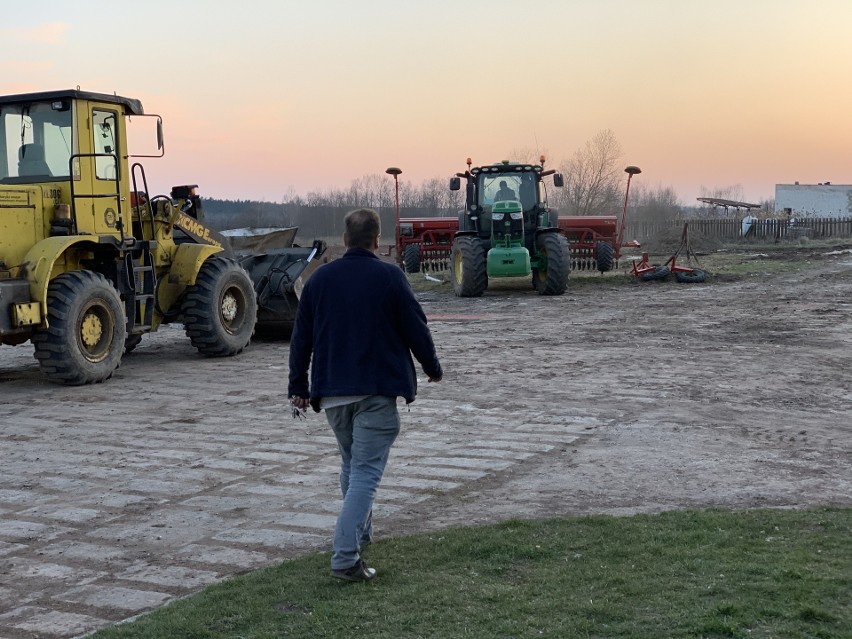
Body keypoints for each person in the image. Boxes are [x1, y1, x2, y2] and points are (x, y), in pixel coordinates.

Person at [288, 208, 443, 582]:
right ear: (377, 241)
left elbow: (301, 339)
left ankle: (361, 533)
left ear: (344, 239)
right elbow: (415, 328)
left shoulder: (319, 279)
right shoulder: (390, 276)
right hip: (375, 392)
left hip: (332, 395)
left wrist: (298, 387)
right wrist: (432, 368)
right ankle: (345, 557)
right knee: (365, 474)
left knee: (351, 464)